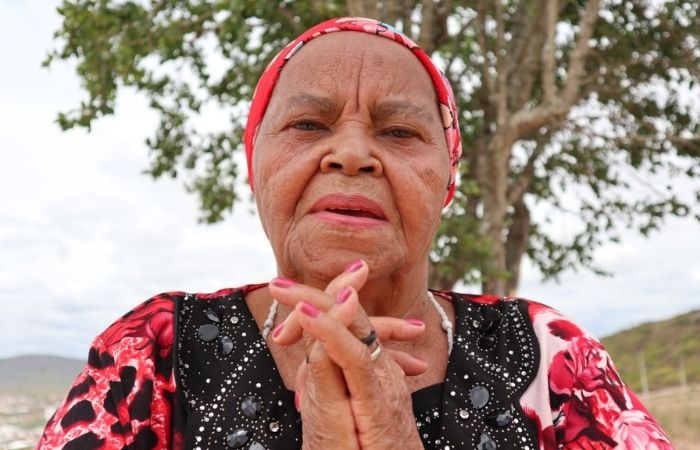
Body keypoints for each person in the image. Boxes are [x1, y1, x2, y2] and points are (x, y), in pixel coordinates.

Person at [38, 17, 673, 450]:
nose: (351, 154)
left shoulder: (549, 355)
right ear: (255, 167)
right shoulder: (152, 353)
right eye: (309, 125)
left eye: (399, 133)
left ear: (446, 181)